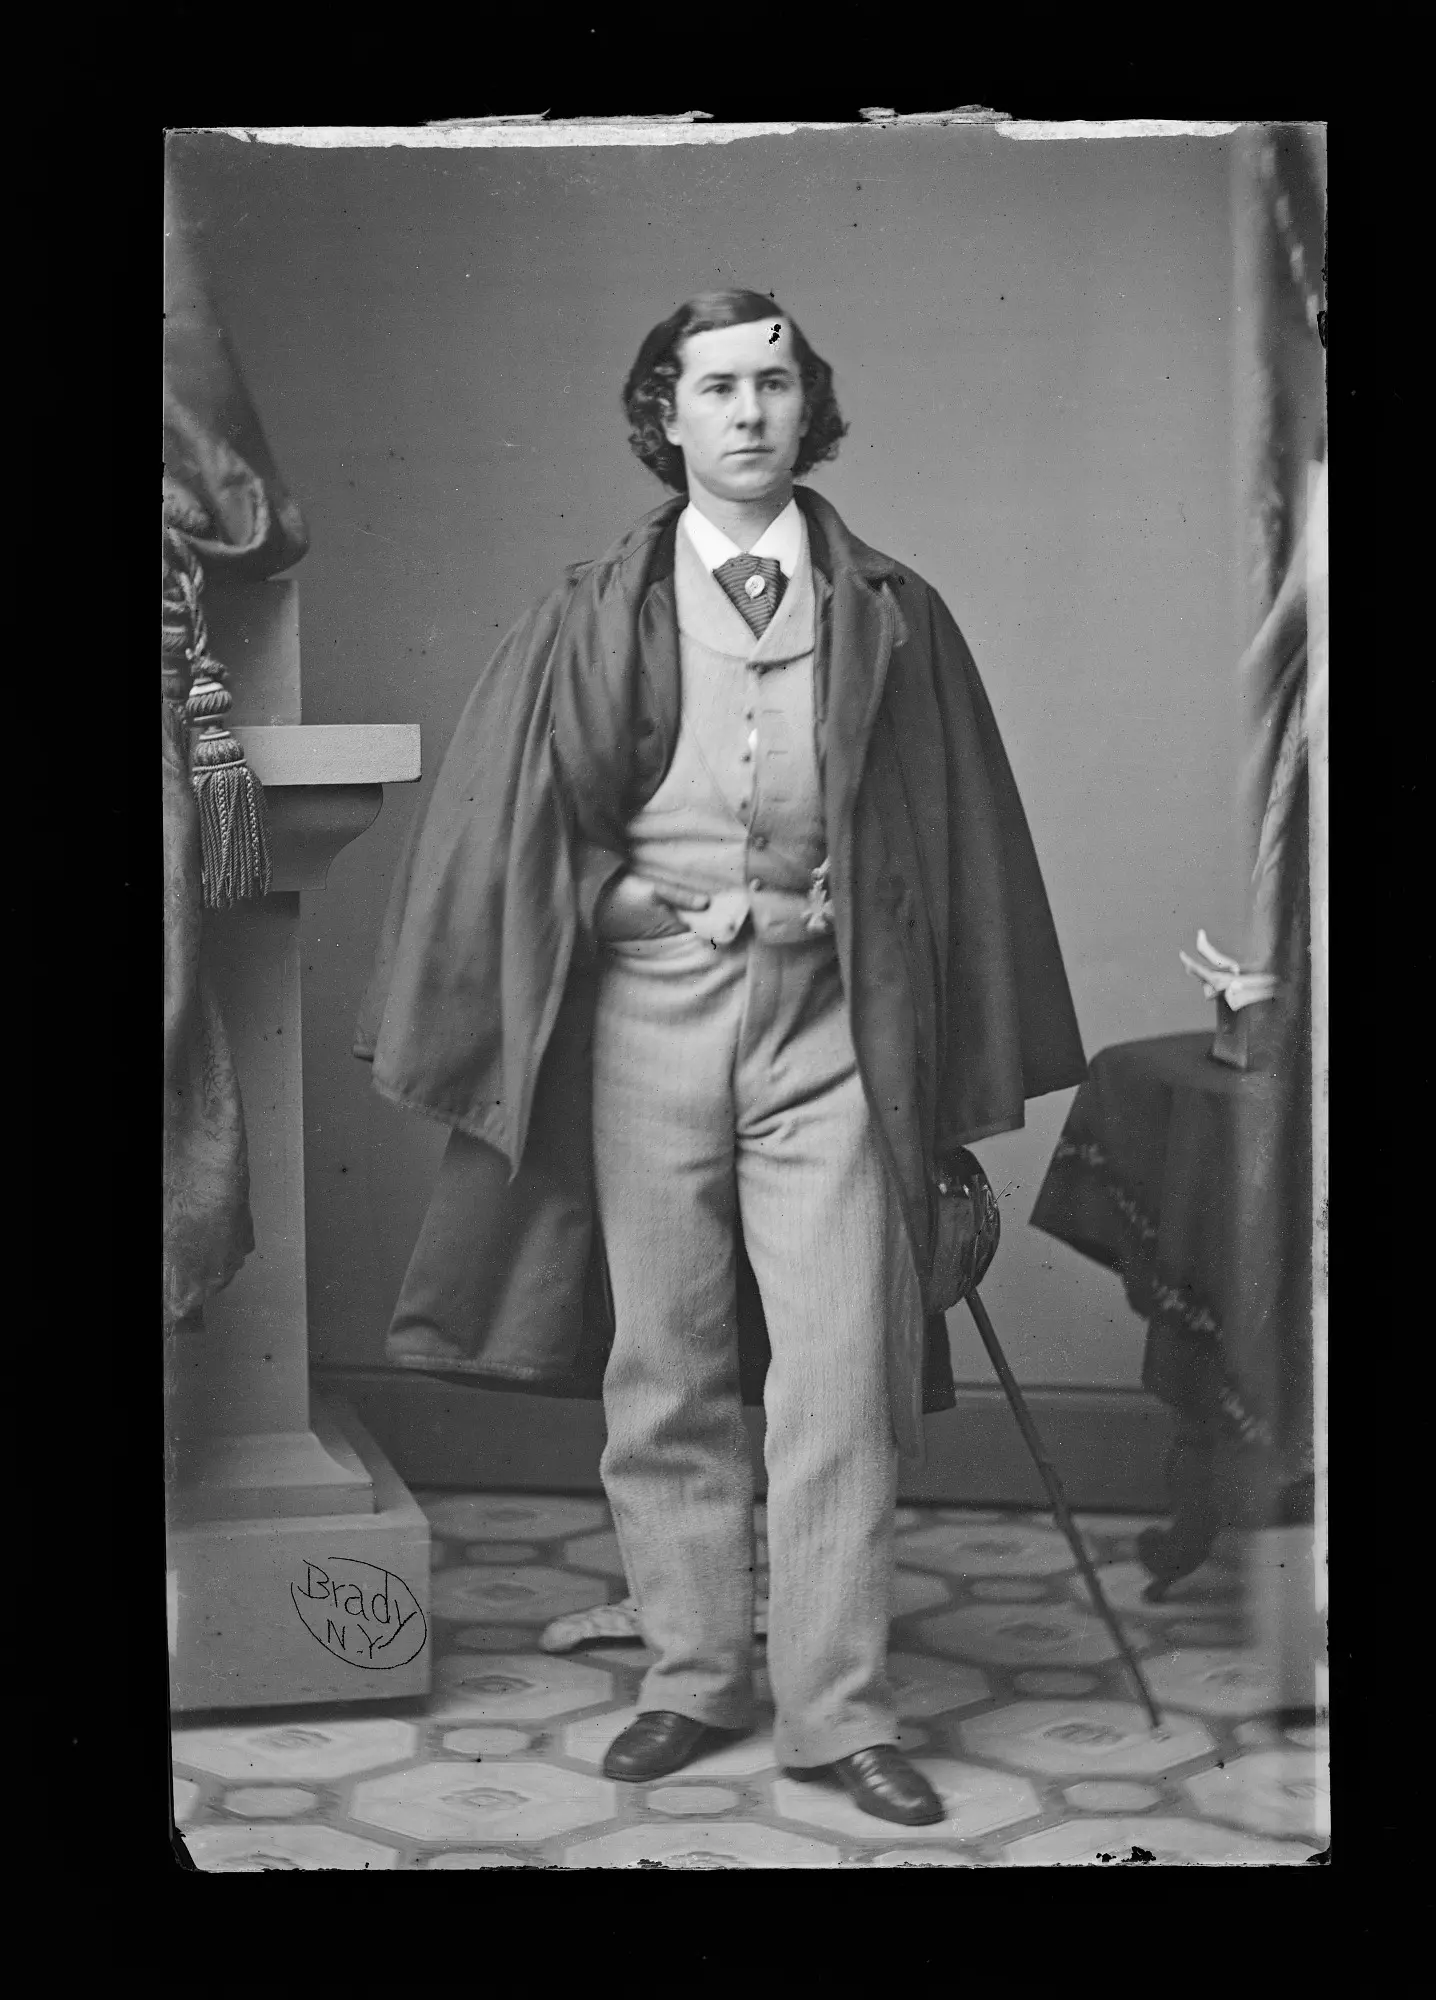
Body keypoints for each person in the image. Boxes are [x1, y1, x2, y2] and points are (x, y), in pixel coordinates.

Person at [356, 290, 1086, 1825]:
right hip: (648, 1024)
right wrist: (609, 899)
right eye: (716, 387)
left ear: (808, 407)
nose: (749, 412)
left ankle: (838, 1713)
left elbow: (955, 843)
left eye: (775, 383)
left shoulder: (893, 607)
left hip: (834, 1031)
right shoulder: (589, 609)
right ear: (664, 415)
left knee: (843, 1376)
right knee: (666, 1367)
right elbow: (511, 829)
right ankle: (691, 1678)